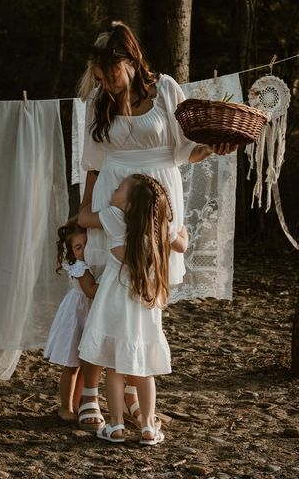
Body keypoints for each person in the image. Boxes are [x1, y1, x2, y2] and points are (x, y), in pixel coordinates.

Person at [76, 20, 237, 431]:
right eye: (101, 77)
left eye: (112, 74)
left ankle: (132, 389)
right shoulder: (100, 101)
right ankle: (91, 394)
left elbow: (184, 152)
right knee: (103, 291)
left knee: (144, 292)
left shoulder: (165, 89)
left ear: (130, 61)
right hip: (112, 192)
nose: (108, 83)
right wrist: (80, 219)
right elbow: (92, 166)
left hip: (157, 200)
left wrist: (212, 149)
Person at [78, 174, 188, 445]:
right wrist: (175, 219)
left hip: (114, 307)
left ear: (127, 205)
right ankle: (148, 427)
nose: (114, 190)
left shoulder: (114, 217)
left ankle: (115, 425)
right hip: (143, 310)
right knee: (143, 370)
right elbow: (182, 241)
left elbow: (83, 219)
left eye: (119, 189)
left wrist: (89, 192)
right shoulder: (160, 229)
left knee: (115, 368)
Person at [44, 217, 100, 424]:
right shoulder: (79, 267)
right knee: (71, 365)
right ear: (70, 251)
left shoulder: (93, 262)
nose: (83, 250)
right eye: (78, 247)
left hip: (91, 314)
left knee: (87, 363)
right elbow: (91, 291)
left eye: (86, 244)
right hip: (77, 314)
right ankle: (66, 406)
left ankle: (78, 404)